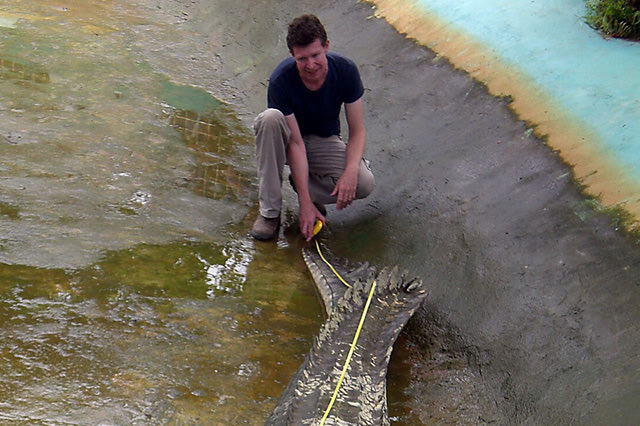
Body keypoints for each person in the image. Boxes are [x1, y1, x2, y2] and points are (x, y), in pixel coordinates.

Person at [251, 14, 375, 241]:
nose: (310, 65)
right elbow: (296, 143)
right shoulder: (281, 80)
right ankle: (270, 213)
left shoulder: (346, 71)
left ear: (326, 46)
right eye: (302, 59)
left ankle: (302, 185)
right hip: (287, 141)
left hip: (322, 140)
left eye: (315, 55)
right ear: (292, 55)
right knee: (270, 118)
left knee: (364, 183)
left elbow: (357, 131)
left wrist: (350, 170)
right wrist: (305, 205)